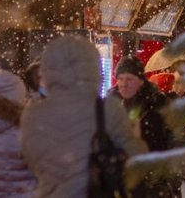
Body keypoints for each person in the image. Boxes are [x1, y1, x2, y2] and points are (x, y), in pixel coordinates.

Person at [21, 36, 146, 198]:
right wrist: (136, 139)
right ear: (93, 68)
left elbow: (31, 162)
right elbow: (135, 160)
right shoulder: (108, 109)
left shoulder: (33, 114)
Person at [108, 55, 178, 197]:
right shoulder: (110, 105)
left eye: (129, 79)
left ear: (140, 81)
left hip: (153, 182)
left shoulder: (159, 104)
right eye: (120, 79)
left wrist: (171, 180)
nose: (123, 84)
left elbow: (178, 140)